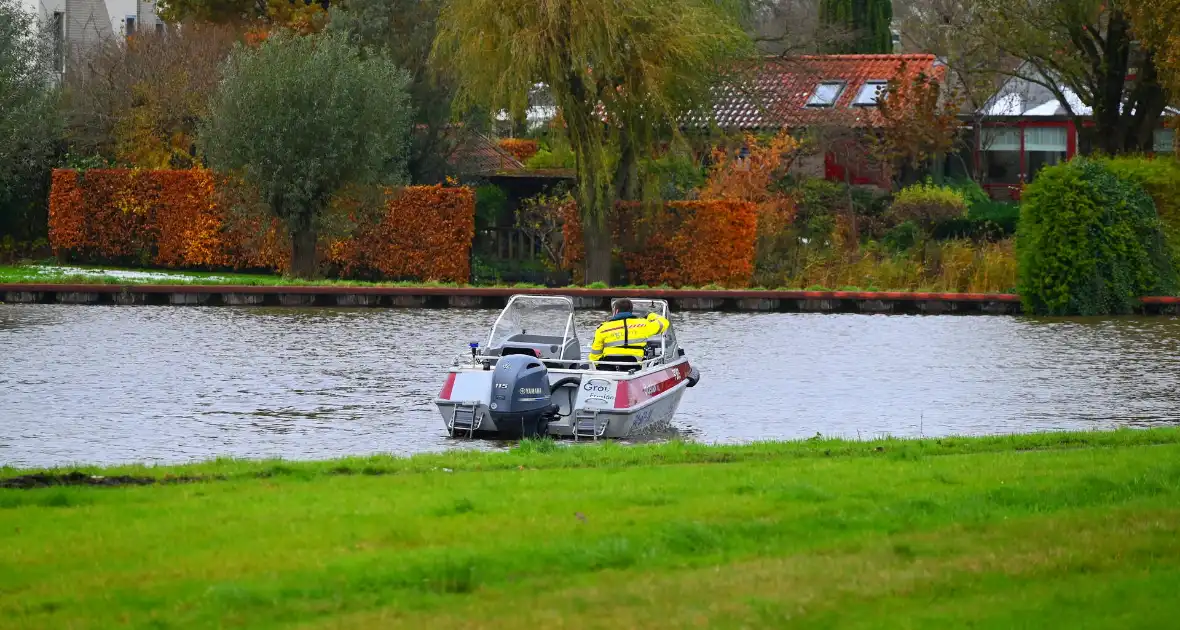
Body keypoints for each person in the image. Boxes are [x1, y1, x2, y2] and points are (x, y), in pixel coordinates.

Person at [588, 299, 670, 369]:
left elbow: (595, 355)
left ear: (616, 311)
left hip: (609, 368)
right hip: (635, 367)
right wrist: (650, 315)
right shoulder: (644, 325)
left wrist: (598, 368)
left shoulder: (602, 329)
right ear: (631, 311)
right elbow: (664, 323)